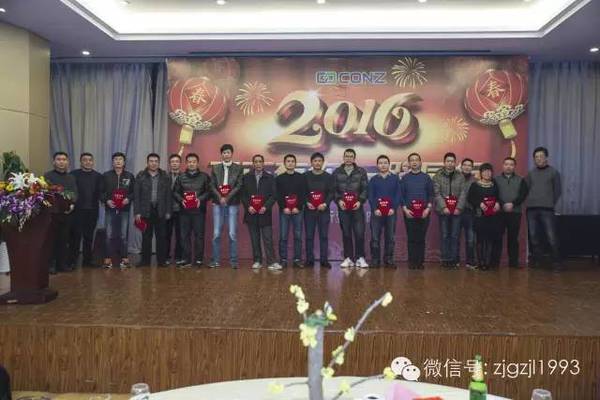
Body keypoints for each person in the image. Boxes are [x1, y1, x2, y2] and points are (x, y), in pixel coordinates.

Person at [241, 154, 282, 271]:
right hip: (251, 213)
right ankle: (257, 261)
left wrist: (266, 207)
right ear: (253, 164)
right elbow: (243, 195)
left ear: (263, 163)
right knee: (255, 239)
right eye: (256, 162)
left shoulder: (270, 177)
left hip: (265, 213)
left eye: (260, 161)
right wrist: (248, 207)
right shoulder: (246, 177)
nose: (258, 164)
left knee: (268, 239)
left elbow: (274, 196)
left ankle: (271, 262)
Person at [525, 146, 562, 270]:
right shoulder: (531, 173)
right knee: (534, 237)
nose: (539, 159)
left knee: (551, 237)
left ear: (546, 158)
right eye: (536, 157)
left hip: (547, 209)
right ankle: (537, 261)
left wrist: (550, 202)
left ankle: (556, 262)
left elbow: (558, 190)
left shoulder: (553, 172)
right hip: (531, 209)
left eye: (541, 156)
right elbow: (525, 189)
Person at [173, 153, 211, 268]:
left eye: (194, 162)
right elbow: (175, 192)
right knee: (184, 236)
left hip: (199, 211)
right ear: (186, 163)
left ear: (197, 163)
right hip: (184, 212)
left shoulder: (204, 177)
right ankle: (187, 259)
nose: (191, 164)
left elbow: (209, 192)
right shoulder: (181, 177)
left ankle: (198, 260)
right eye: (189, 162)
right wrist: (181, 200)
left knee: (199, 236)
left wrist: (200, 199)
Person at [332, 148, 369, 268]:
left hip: (357, 208)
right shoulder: (337, 172)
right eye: (346, 156)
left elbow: (365, 189)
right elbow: (333, 190)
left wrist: (360, 201)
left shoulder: (361, 171)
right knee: (346, 234)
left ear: (354, 158)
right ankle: (348, 258)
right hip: (343, 208)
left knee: (359, 234)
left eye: (351, 156)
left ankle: (360, 258)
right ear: (343, 158)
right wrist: (339, 200)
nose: (348, 158)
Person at [134, 153, 172, 267]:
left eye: (156, 161)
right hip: (145, 210)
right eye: (151, 161)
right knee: (146, 237)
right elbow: (136, 195)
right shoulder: (141, 176)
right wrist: (137, 212)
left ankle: (162, 261)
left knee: (161, 237)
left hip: (160, 210)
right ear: (147, 162)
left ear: (159, 163)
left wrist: (168, 211)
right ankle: (145, 261)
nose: (153, 163)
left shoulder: (165, 176)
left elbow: (168, 195)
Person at [209, 144, 243, 269]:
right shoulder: (215, 168)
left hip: (232, 203)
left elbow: (239, 185)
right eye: (224, 153)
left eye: (228, 152)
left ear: (232, 154)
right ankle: (215, 260)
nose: (226, 155)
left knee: (232, 233)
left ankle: (233, 261)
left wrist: (227, 198)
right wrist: (220, 197)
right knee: (216, 233)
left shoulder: (238, 168)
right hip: (218, 203)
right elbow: (211, 185)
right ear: (221, 154)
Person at [44, 151, 78, 274]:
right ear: (54, 162)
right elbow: (45, 193)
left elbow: (75, 193)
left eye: (64, 159)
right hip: (52, 214)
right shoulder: (47, 176)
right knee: (52, 240)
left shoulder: (71, 177)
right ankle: (51, 265)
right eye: (59, 159)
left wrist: (72, 205)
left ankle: (62, 264)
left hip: (67, 213)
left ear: (67, 162)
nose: (61, 162)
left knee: (64, 240)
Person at [101, 152, 135, 269]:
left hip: (124, 209)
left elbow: (134, 192)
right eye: (116, 159)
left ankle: (124, 258)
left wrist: (128, 199)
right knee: (109, 234)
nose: (118, 161)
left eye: (120, 159)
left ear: (124, 162)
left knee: (123, 234)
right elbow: (101, 192)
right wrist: (107, 201)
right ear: (112, 162)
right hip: (110, 209)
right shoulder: (106, 175)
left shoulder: (129, 176)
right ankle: (107, 258)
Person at [433, 152, 467, 269]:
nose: (450, 163)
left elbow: (463, 193)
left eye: (452, 161)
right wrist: (444, 207)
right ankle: (445, 259)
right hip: (443, 211)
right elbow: (436, 193)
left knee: (454, 236)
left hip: (457, 212)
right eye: (448, 161)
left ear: (455, 163)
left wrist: (459, 208)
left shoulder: (460, 176)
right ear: (444, 162)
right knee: (444, 235)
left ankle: (453, 260)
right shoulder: (438, 175)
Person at [400, 153, 434, 270]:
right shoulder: (405, 178)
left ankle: (420, 262)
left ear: (420, 162)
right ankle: (412, 262)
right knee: (411, 237)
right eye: (412, 160)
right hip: (409, 212)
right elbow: (401, 196)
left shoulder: (426, 178)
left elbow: (431, 195)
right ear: (409, 163)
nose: (414, 162)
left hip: (424, 213)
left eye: (416, 160)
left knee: (421, 237)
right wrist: (405, 209)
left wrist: (428, 209)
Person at [69, 152, 103, 268]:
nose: (87, 162)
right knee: (76, 236)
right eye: (85, 160)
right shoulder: (73, 175)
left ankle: (87, 261)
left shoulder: (98, 176)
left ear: (93, 162)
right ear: (81, 162)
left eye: (90, 160)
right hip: (77, 210)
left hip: (92, 210)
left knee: (89, 237)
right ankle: (72, 261)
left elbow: (101, 193)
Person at [368, 155, 401, 268]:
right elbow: (371, 196)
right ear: (377, 165)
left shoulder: (395, 178)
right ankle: (375, 260)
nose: (383, 165)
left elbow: (398, 194)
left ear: (389, 164)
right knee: (375, 238)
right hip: (377, 213)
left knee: (390, 237)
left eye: (385, 163)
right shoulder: (373, 179)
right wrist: (375, 209)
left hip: (391, 213)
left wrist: (393, 208)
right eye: (380, 163)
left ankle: (389, 259)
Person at [467, 163, 502, 270]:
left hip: (492, 216)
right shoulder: (475, 185)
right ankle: (481, 262)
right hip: (479, 216)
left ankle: (488, 262)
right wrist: (479, 204)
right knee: (480, 240)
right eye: (485, 171)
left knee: (490, 239)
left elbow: (498, 197)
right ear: (481, 173)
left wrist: (498, 203)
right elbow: (470, 198)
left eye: (489, 171)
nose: (487, 173)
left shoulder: (494, 185)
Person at [495, 157, 528, 268]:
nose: (508, 166)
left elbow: (523, 195)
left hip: (515, 212)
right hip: (499, 213)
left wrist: (512, 204)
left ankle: (513, 263)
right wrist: (503, 204)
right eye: (506, 164)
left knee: (513, 238)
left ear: (514, 167)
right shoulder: (496, 179)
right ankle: (495, 262)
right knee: (497, 237)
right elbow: (494, 194)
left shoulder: (521, 179)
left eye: (511, 164)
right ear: (503, 165)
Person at [275, 154, 307, 268]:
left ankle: (297, 259)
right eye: (288, 161)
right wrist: (284, 207)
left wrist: (298, 207)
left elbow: (303, 193)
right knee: (283, 236)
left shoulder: (301, 177)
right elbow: (277, 195)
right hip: (285, 211)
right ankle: (283, 259)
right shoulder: (279, 178)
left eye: (292, 161)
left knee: (298, 236)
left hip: (298, 211)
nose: (290, 163)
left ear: (295, 163)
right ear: (284, 163)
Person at [303, 152, 334, 268]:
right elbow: (302, 192)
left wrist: (325, 203)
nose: (317, 163)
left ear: (322, 162)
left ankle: (324, 260)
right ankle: (309, 260)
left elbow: (331, 193)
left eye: (319, 161)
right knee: (309, 236)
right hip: (309, 211)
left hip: (323, 210)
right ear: (311, 163)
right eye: (315, 161)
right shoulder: (305, 176)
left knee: (324, 236)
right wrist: (307, 202)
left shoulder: (328, 177)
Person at [459, 158, 477, 269]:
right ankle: (454, 260)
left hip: (470, 212)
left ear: (472, 168)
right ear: (461, 167)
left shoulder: (475, 181)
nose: (467, 167)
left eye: (469, 165)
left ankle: (470, 261)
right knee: (455, 237)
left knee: (471, 239)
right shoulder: (456, 179)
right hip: (457, 212)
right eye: (465, 165)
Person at [165, 154, 183, 265]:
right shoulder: (164, 177)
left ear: (180, 163)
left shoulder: (184, 176)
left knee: (180, 235)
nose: (174, 163)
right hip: (167, 210)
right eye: (172, 162)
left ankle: (178, 257)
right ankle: (166, 257)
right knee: (166, 234)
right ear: (169, 164)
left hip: (181, 210)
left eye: (177, 161)